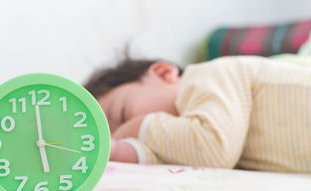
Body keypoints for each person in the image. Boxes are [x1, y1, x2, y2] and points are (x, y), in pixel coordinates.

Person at [84, 56, 311, 173]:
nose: (127, 131)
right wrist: (117, 150)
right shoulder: (180, 140)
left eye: (123, 115)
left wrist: (137, 126)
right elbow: (173, 151)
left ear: (163, 73)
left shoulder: (209, 76)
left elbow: (212, 148)